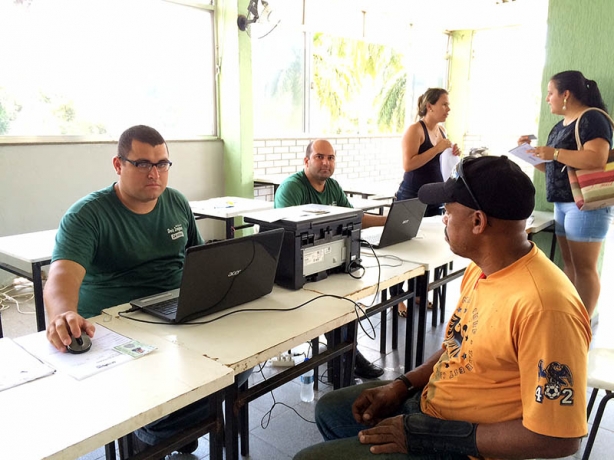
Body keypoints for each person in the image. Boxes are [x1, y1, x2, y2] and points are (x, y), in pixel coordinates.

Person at [294, 155, 591, 460]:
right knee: (332, 410)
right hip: (432, 405)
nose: (444, 220)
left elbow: (557, 439)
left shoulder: (546, 308)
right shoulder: (483, 268)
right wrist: (402, 385)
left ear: (478, 222)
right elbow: (459, 345)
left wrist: (433, 436)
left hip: (466, 445)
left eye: (448, 212)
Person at [43, 125, 250, 457]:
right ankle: (159, 429)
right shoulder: (87, 215)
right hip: (119, 324)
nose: (155, 173)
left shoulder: (176, 202)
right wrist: (64, 313)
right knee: (181, 393)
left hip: (178, 314)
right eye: (142, 164)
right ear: (118, 164)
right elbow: (60, 277)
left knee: (242, 361)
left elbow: (200, 260)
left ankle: (167, 425)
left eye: (163, 163)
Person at [275, 139, 386, 379]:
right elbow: (287, 235)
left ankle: (346, 355)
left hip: (329, 263)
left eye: (331, 158)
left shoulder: (333, 187)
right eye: (319, 157)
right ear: (306, 161)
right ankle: (347, 357)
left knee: (348, 299)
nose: (326, 162)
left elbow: (353, 218)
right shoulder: (292, 188)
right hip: (298, 268)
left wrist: (385, 220)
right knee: (333, 303)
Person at [519, 70, 613, 318]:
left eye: (551, 93)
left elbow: (597, 158)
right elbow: (550, 167)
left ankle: (582, 325)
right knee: (570, 264)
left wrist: (555, 153)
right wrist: (528, 152)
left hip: (586, 204)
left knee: (584, 268)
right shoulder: (559, 126)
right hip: (563, 202)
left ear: (566, 94)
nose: (548, 98)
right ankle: (569, 318)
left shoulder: (592, 118)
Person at [395, 88, 460, 317]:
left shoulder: (441, 130)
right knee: (406, 248)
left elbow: (440, 161)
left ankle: (419, 292)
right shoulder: (416, 130)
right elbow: (408, 164)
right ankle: (397, 297)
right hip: (412, 195)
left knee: (427, 247)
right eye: (444, 104)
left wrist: (450, 152)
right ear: (430, 106)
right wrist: (436, 150)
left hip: (434, 195)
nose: (448, 109)